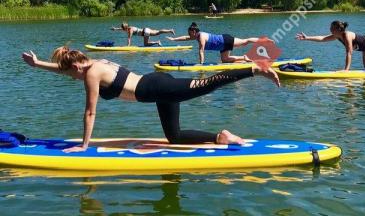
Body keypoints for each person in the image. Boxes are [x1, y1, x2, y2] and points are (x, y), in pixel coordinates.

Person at [21, 46, 280, 153]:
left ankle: (256, 69)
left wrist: (84, 146)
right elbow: (65, 70)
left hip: (159, 88)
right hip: (156, 88)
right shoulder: (93, 63)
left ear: (75, 67)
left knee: (206, 85)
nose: (71, 77)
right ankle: (221, 137)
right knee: (174, 137)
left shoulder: (91, 74)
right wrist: (38, 64)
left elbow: (90, 112)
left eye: (70, 73)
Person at [167, 22, 265, 64]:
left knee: (245, 42)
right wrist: (174, 39)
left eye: (189, 33)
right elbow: (185, 38)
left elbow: (201, 51)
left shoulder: (201, 37)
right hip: (222, 46)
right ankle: (244, 57)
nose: (188, 35)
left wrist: (201, 64)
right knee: (225, 60)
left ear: (194, 32)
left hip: (225, 40)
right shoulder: (196, 36)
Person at [110, 22, 175, 47]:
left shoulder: (130, 30)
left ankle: (157, 42)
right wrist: (115, 29)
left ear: (125, 27)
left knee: (146, 44)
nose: (122, 29)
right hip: (146, 30)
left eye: (123, 28)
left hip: (145, 32)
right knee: (158, 32)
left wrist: (128, 46)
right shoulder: (129, 28)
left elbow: (129, 38)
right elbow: (121, 29)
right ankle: (170, 30)